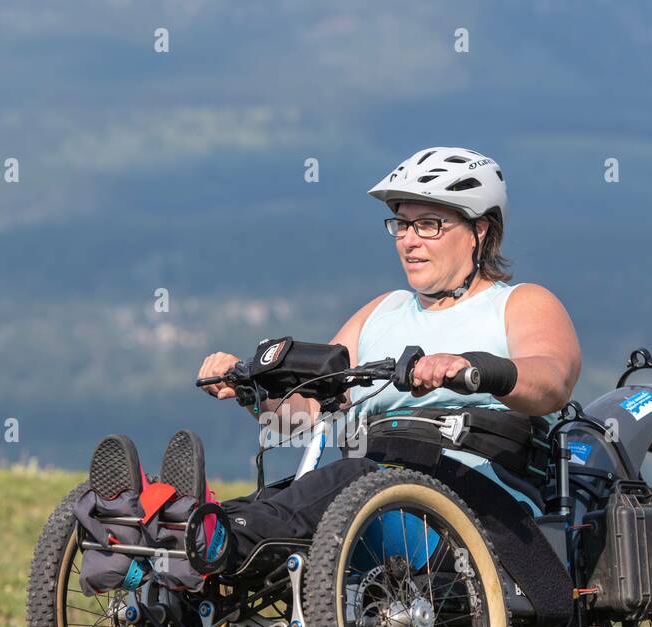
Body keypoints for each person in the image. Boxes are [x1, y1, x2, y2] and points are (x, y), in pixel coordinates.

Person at [83, 146, 581, 591]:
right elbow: (310, 411)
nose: (408, 240)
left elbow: (551, 381)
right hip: (369, 490)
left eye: (428, 224)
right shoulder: (381, 312)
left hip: (473, 510)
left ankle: (204, 535)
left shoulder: (518, 303)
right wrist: (253, 392)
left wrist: (470, 367)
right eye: (401, 224)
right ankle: (151, 531)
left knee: (342, 482)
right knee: (302, 494)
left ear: (480, 230)